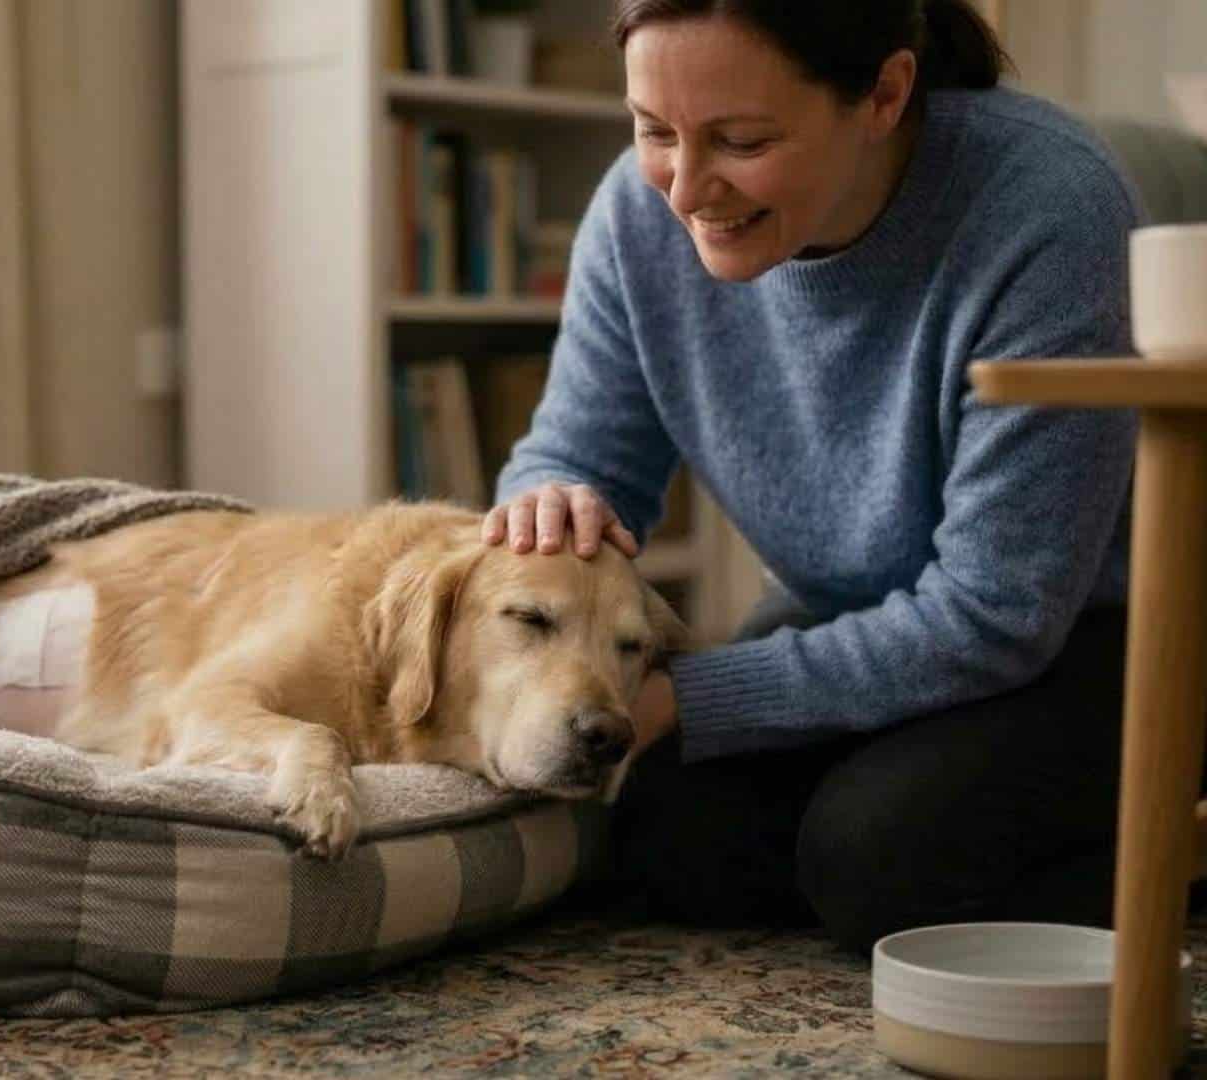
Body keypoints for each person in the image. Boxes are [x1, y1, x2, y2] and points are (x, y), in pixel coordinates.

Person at [481, 0, 1153, 954]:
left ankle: (1172, 843)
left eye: (742, 140)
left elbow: (999, 614)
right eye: (653, 132)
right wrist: (550, 498)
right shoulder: (637, 217)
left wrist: (690, 696)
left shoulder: (1047, 206)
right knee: (659, 839)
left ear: (884, 92)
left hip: (1096, 630)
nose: (684, 192)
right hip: (859, 615)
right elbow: (579, 457)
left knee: (877, 861)